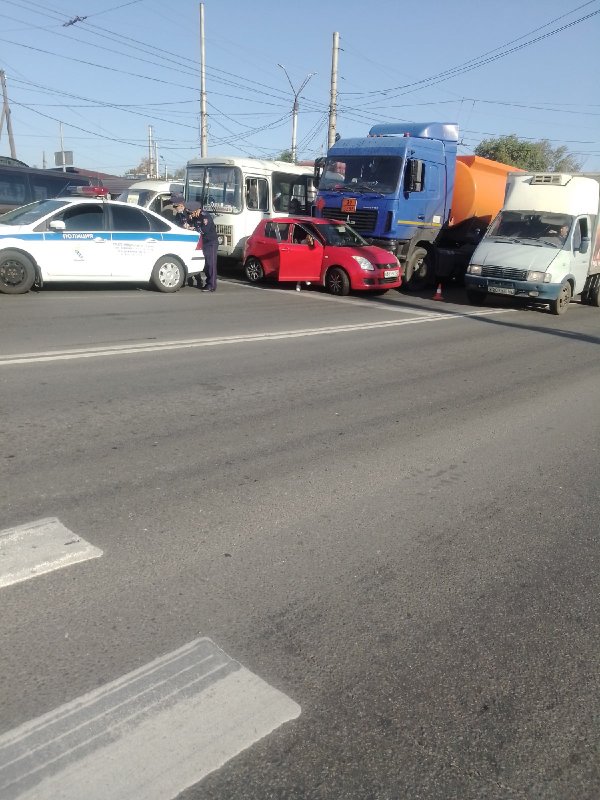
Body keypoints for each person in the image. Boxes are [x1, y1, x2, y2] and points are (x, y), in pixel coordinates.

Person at [190, 205, 218, 292]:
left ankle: (211, 285)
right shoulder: (195, 217)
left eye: (192, 212)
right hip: (203, 243)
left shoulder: (205, 216)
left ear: (197, 210)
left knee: (211, 264)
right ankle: (208, 282)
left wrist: (194, 228)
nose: (191, 215)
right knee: (206, 265)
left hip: (211, 243)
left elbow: (204, 230)